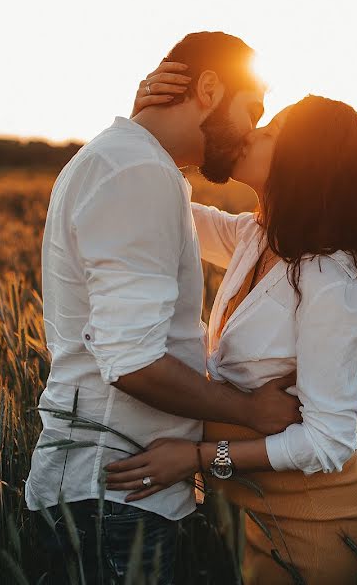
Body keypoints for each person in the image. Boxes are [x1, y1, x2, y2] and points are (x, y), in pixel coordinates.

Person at [25, 32, 302, 585]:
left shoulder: (128, 162)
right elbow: (132, 361)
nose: (250, 130)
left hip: (113, 482)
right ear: (207, 88)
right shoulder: (137, 172)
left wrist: (147, 129)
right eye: (253, 111)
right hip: (118, 489)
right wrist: (250, 413)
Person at [106, 78, 357, 583]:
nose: (252, 132)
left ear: (307, 163)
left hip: (322, 528)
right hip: (263, 517)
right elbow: (156, 200)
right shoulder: (256, 236)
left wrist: (198, 459)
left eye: (273, 131)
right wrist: (147, 128)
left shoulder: (331, 284)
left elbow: (328, 443)